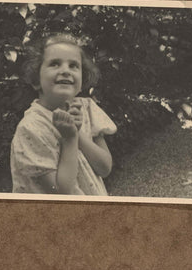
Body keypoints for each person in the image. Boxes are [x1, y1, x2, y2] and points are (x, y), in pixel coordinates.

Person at [10, 34, 117, 195]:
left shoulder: (87, 109)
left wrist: (78, 134)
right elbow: (61, 194)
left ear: (83, 80)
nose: (66, 71)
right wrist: (70, 138)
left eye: (74, 65)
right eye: (55, 64)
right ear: (36, 80)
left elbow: (105, 168)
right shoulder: (31, 128)